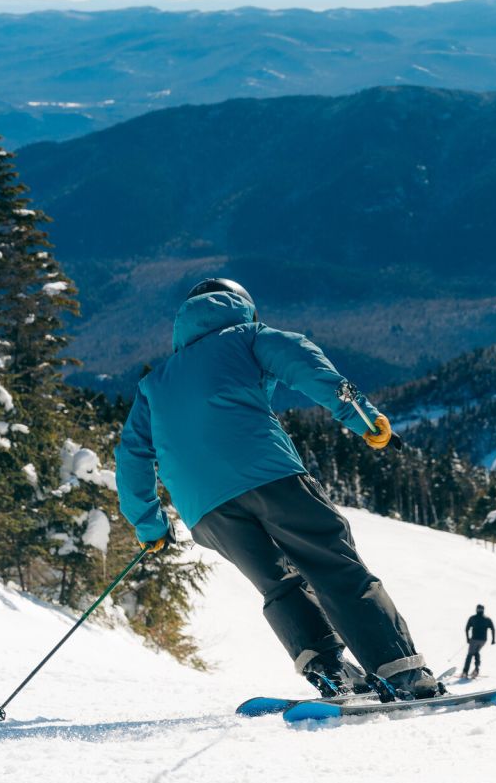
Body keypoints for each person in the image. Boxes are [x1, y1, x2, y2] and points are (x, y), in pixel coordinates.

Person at [115, 277, 440, 700]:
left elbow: (131, 456)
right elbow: (307, 365)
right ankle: (402, 673)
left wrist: (150, 526)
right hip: (269, 475)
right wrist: (364, 419)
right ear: (243, 307)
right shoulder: (248, 337)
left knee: (279, 583)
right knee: (333, 564)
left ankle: (330, 672)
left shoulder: (153, 384)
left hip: (205, 511)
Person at [462, 604, 496, 678]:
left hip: (474, 639)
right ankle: (476, 670)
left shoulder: (472, 618)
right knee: (476, 652)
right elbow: (493, 629)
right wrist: (493, 640)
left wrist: (467, 638)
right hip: (483, 640)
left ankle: (465, 672)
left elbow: (467, 628)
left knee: (470, 654)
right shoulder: (487, 619)